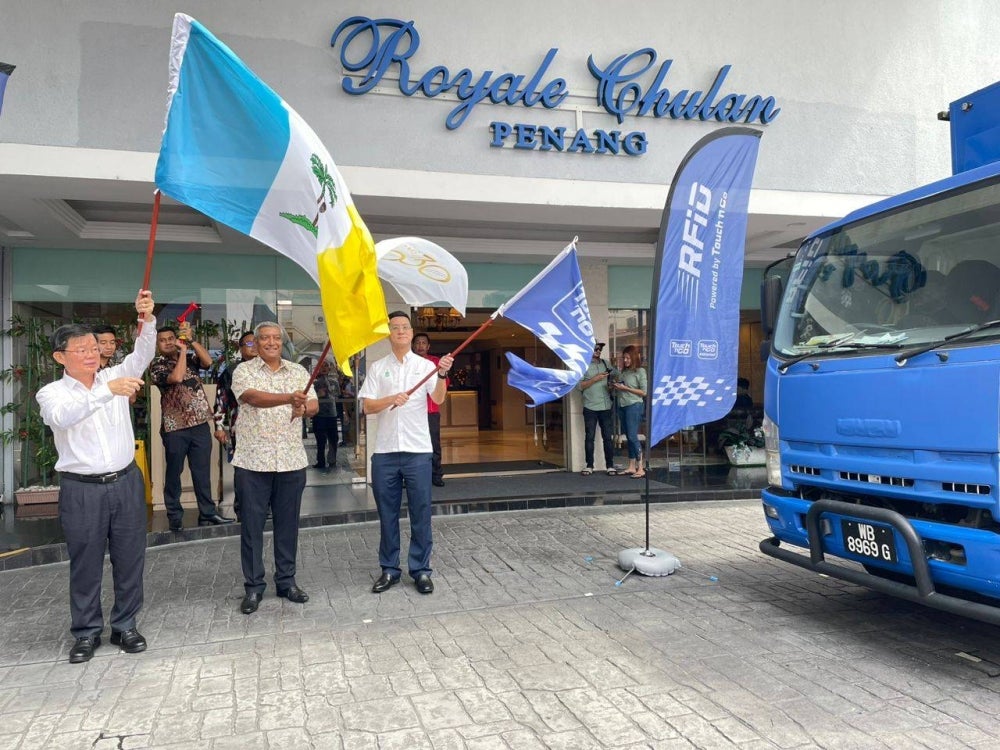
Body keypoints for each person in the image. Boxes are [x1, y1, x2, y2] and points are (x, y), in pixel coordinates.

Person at [36, 290, 155, 664]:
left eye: (94, 348)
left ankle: (125, 625)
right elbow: (64, 417)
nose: (92, 354)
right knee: (85, 561)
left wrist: (147, 319)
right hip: (82, 490)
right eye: (82, 350)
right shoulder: (51, 393)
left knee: (129, 557)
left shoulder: (115, 374)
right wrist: (107, 391)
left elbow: (142, 355)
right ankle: (86, 632)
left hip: (125, 483)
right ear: (60, 357)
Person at [359, 311, 453, 595]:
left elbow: (437, 398)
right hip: (385, 453)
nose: (400, 331)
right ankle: (389, 569)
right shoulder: (377, 367)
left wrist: (442, 374)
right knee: (387, 515)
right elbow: (367, 407)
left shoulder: (425, 366)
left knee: (420, 512)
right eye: (395, 327)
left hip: (417, 452)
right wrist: (391, 399)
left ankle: (421, 570)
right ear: (389, 333)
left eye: (405, 327)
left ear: (412, 333)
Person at [231, 322, 318, 614]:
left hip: (291, 461)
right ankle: (254, 587)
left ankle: (286, 581)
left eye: (276, 338)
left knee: (288, 525)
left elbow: (314, 404)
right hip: (253, 461)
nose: (271, 342)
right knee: (252, 527)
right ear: (255, 343)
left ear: (283, 342)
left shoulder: (299, 372)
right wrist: (288, 398)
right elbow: (251, 398)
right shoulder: (244, 371)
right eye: (265, 338)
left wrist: (304, 407)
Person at [151, 322, 234, 531]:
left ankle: (208, 513)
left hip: (199, 424)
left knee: (202, 471)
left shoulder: (189, 358)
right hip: (175, 427)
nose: (168, 342)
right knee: (174, 473)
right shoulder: (157, 365)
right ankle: (174, 515)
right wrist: (182, 352)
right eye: (163, 340)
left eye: (171, 338)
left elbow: (207, 361)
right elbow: (177, 377)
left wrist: (191, 341)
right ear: (157, 344)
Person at [213, 331, 256, 516]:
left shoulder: (268, 367)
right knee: (243, 469)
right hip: (241, 427)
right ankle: (241, 507)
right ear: (240, 348)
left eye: (256, 342)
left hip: (268, 429)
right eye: (248, 344)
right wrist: (219, 427)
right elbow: (220, 399)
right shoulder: (232, 370)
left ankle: (266, 506)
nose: (253, 346)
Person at [577, 342, 619, 476]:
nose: (598, 351)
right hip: (590, 406)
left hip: (606, 406)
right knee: (589, 437)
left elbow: (617, 376)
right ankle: (589, 465)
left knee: (607, 437)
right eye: (595, 348)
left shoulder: (606, 364)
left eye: (600, 349)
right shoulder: (583, 365)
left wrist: (613, 384)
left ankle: (610, 465)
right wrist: (595, 379)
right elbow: (580, 386)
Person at [412, 331, 446, 486]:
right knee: (411, 445)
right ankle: (411, 477)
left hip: (431, 411)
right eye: (417, 343)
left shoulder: (436, 362)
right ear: (413, 345)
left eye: (423, 343)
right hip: (411, 412)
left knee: (434, 444)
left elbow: (444, 385)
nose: (420, 346)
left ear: (428, 346)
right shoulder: (408, 362)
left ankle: (436, 475)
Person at [613, 344, 648, 478]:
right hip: (623, 406)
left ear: (633, 357)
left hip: (634, 406)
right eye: (624, 358)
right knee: (628, 436)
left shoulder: (640, 372)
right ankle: (631, 466)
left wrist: (625, 388)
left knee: (633, 436)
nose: (625, 360)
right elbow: (622, 386)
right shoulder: (624, 372)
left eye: (628, 358)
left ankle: (641, 467)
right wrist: (616, 386)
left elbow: (644, 392)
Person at [311, 358, 339, 470]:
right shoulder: (314, 383)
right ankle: (320, 461)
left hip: (332, 414)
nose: (324, 368)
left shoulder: (334, 382)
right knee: (320, 441)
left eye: (326, 366)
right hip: (319, 415)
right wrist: (318, 394)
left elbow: (337, 395)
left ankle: (332, 460)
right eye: (321, 366)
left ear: (329, 368)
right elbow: (310, 397)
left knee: (334, 439)